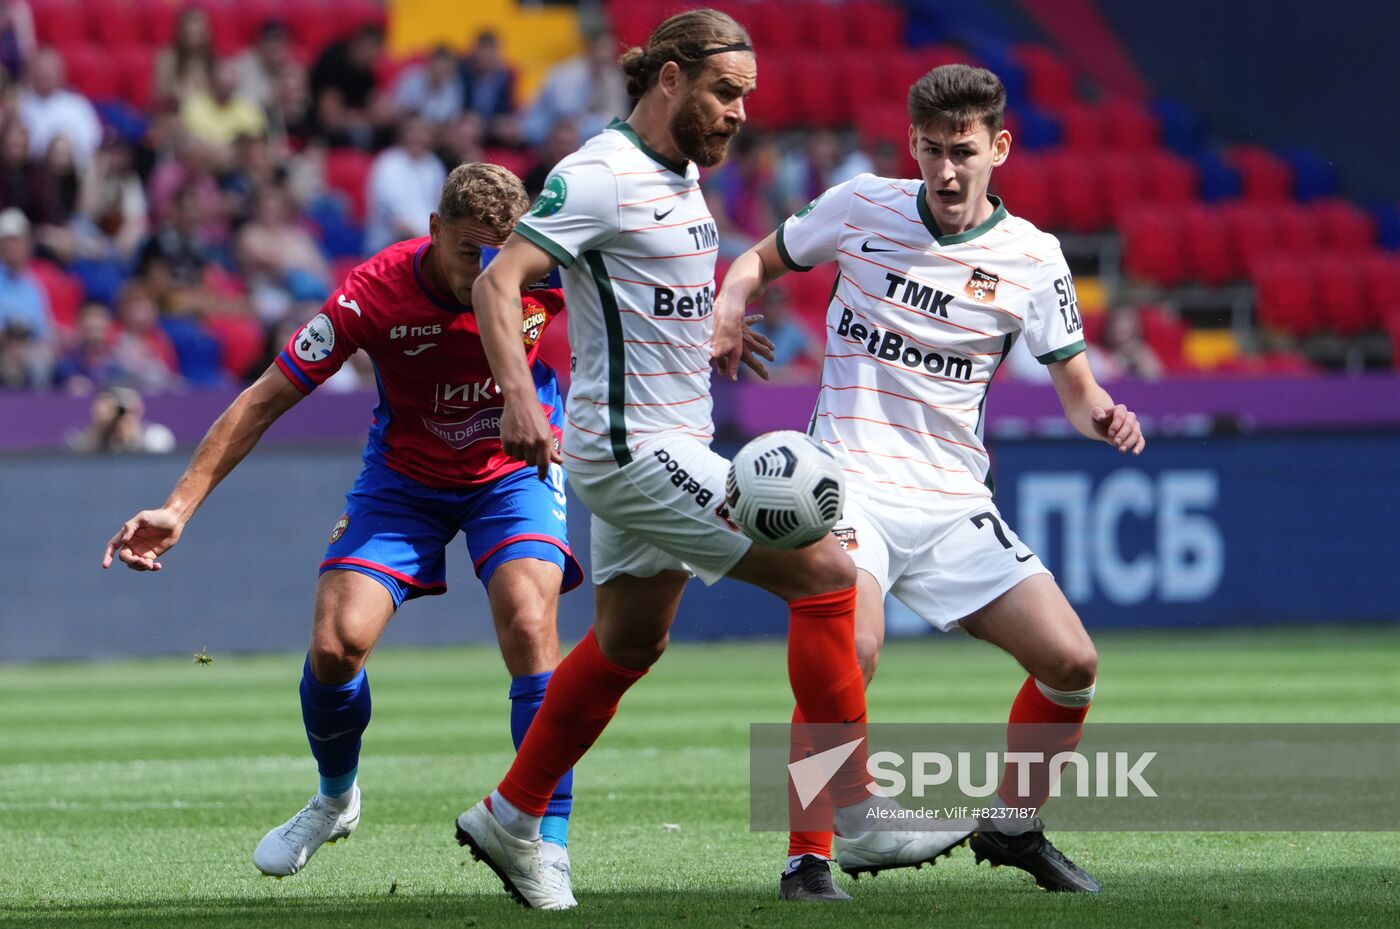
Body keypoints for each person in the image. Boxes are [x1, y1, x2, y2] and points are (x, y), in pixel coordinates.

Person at [456, 8, 965, 911]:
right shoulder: (601, 174)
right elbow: (500, 281)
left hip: (670, 437)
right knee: (827, 574)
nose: (738, 112)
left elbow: (638, 296)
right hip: (632, 451)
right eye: (725, 92)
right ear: (670, 79)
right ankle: (851, 806)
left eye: (746, 98)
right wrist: (515, 396)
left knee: (627, 642)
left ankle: (511, 813)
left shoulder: (681, 174)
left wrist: (709, 332)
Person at [714, 63, 1146, 899]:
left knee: (1073, 662)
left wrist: (1103, 414)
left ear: (1000, 148)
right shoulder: (861, 205)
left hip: (952, 501)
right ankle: (808, 856)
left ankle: (1014, 824)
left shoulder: (1033, 258)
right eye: (932, 151)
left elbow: (1078, 387)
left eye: (964, 152)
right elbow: (756, 263)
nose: (946, 172)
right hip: (848, 483)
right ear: (910, 145)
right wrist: (732, 301)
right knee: (852, 649)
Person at [101, 163, 585, 896]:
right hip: (406, 479)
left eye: (500, 251)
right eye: (468, 251)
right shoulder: (376, 292)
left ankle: (546, 841)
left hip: (512, 468)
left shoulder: (543, 274)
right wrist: (178, 505)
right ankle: (335, 797)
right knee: (336, 645)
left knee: (527, 616)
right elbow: (265, 398)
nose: (487, 269)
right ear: (432, 232)